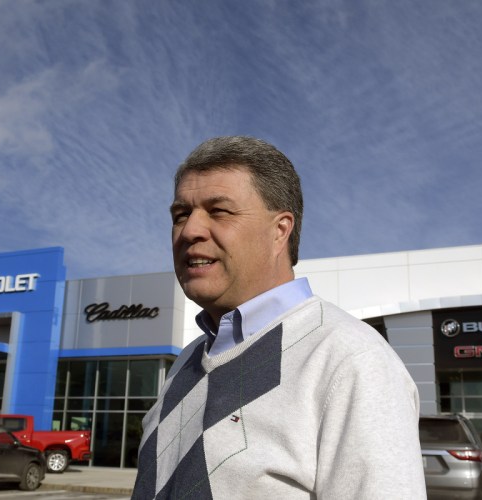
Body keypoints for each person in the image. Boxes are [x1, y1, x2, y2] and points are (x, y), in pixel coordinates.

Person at [131, 136, 426, 499]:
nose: (190, 230)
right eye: (181, 215)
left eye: (219, 210)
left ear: (279, 231)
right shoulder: (185, 363)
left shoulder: (349, 359)